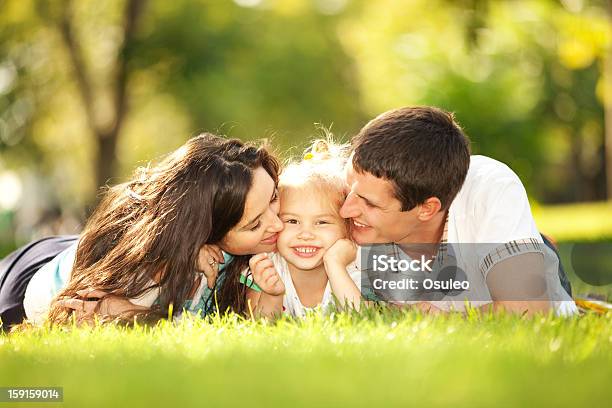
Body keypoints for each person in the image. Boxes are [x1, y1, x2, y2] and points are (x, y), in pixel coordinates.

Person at [0, 133, 283, 329]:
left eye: (273, 198)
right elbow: (109, 318)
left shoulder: (226, 230)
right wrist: (181, 257)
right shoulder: (139, 268)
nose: (278, 224)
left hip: (74, 245)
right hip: (30, 280)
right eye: (255, 224)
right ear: (206, 232)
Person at [339, 106, 577, 315]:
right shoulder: (355, 189)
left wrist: (439, 319)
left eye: (369, 203)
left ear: (426, 208)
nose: (345, 210)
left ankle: (535, 248)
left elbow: (529, 312)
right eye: (348, 189)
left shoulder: (490, 187)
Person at [240, 140, 361, 318]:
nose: (305, 234)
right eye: (292, 221)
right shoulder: (268, 266)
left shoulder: (354, 266)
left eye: (321, 223)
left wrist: (335, 265)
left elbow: (363, 319)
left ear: (347, 227)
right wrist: (272, 295)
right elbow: (260, 327)